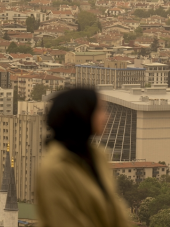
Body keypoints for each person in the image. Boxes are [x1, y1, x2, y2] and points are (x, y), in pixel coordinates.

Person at [37, 88, 132, 227]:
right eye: (100, 110)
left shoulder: (98, 156)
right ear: (81, 113)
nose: (107, 117)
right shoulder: (54, 169)